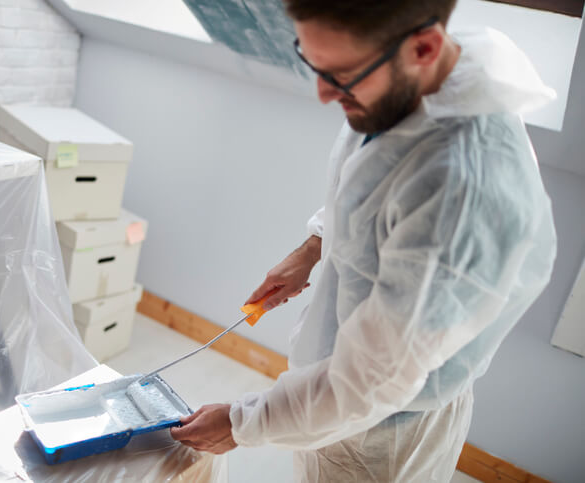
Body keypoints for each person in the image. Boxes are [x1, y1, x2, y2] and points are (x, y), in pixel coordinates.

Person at [170, 1, 558, 480]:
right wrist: (312, 250)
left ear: (425, 47)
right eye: (314, 62)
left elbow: (369, 383)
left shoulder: (462, 190)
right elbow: (370, 183)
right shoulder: (415, 80)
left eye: (342, 76)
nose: (323, 93)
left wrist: (240, 422)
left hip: (381, 431)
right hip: (334, 394)